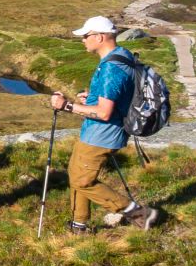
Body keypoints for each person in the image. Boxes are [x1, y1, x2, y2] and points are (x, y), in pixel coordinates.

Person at [51, 16, 161, 233]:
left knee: (83, 181)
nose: (83, 40)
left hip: (102, 134)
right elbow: (114, 97)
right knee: (76, 172)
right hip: (97, 131)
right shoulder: (122, 56)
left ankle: (139, 213)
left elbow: (103, 113)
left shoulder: (112, 68)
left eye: (86, 36)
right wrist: (92, 98)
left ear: (100, 37)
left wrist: (66, 106)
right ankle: (78, 225)